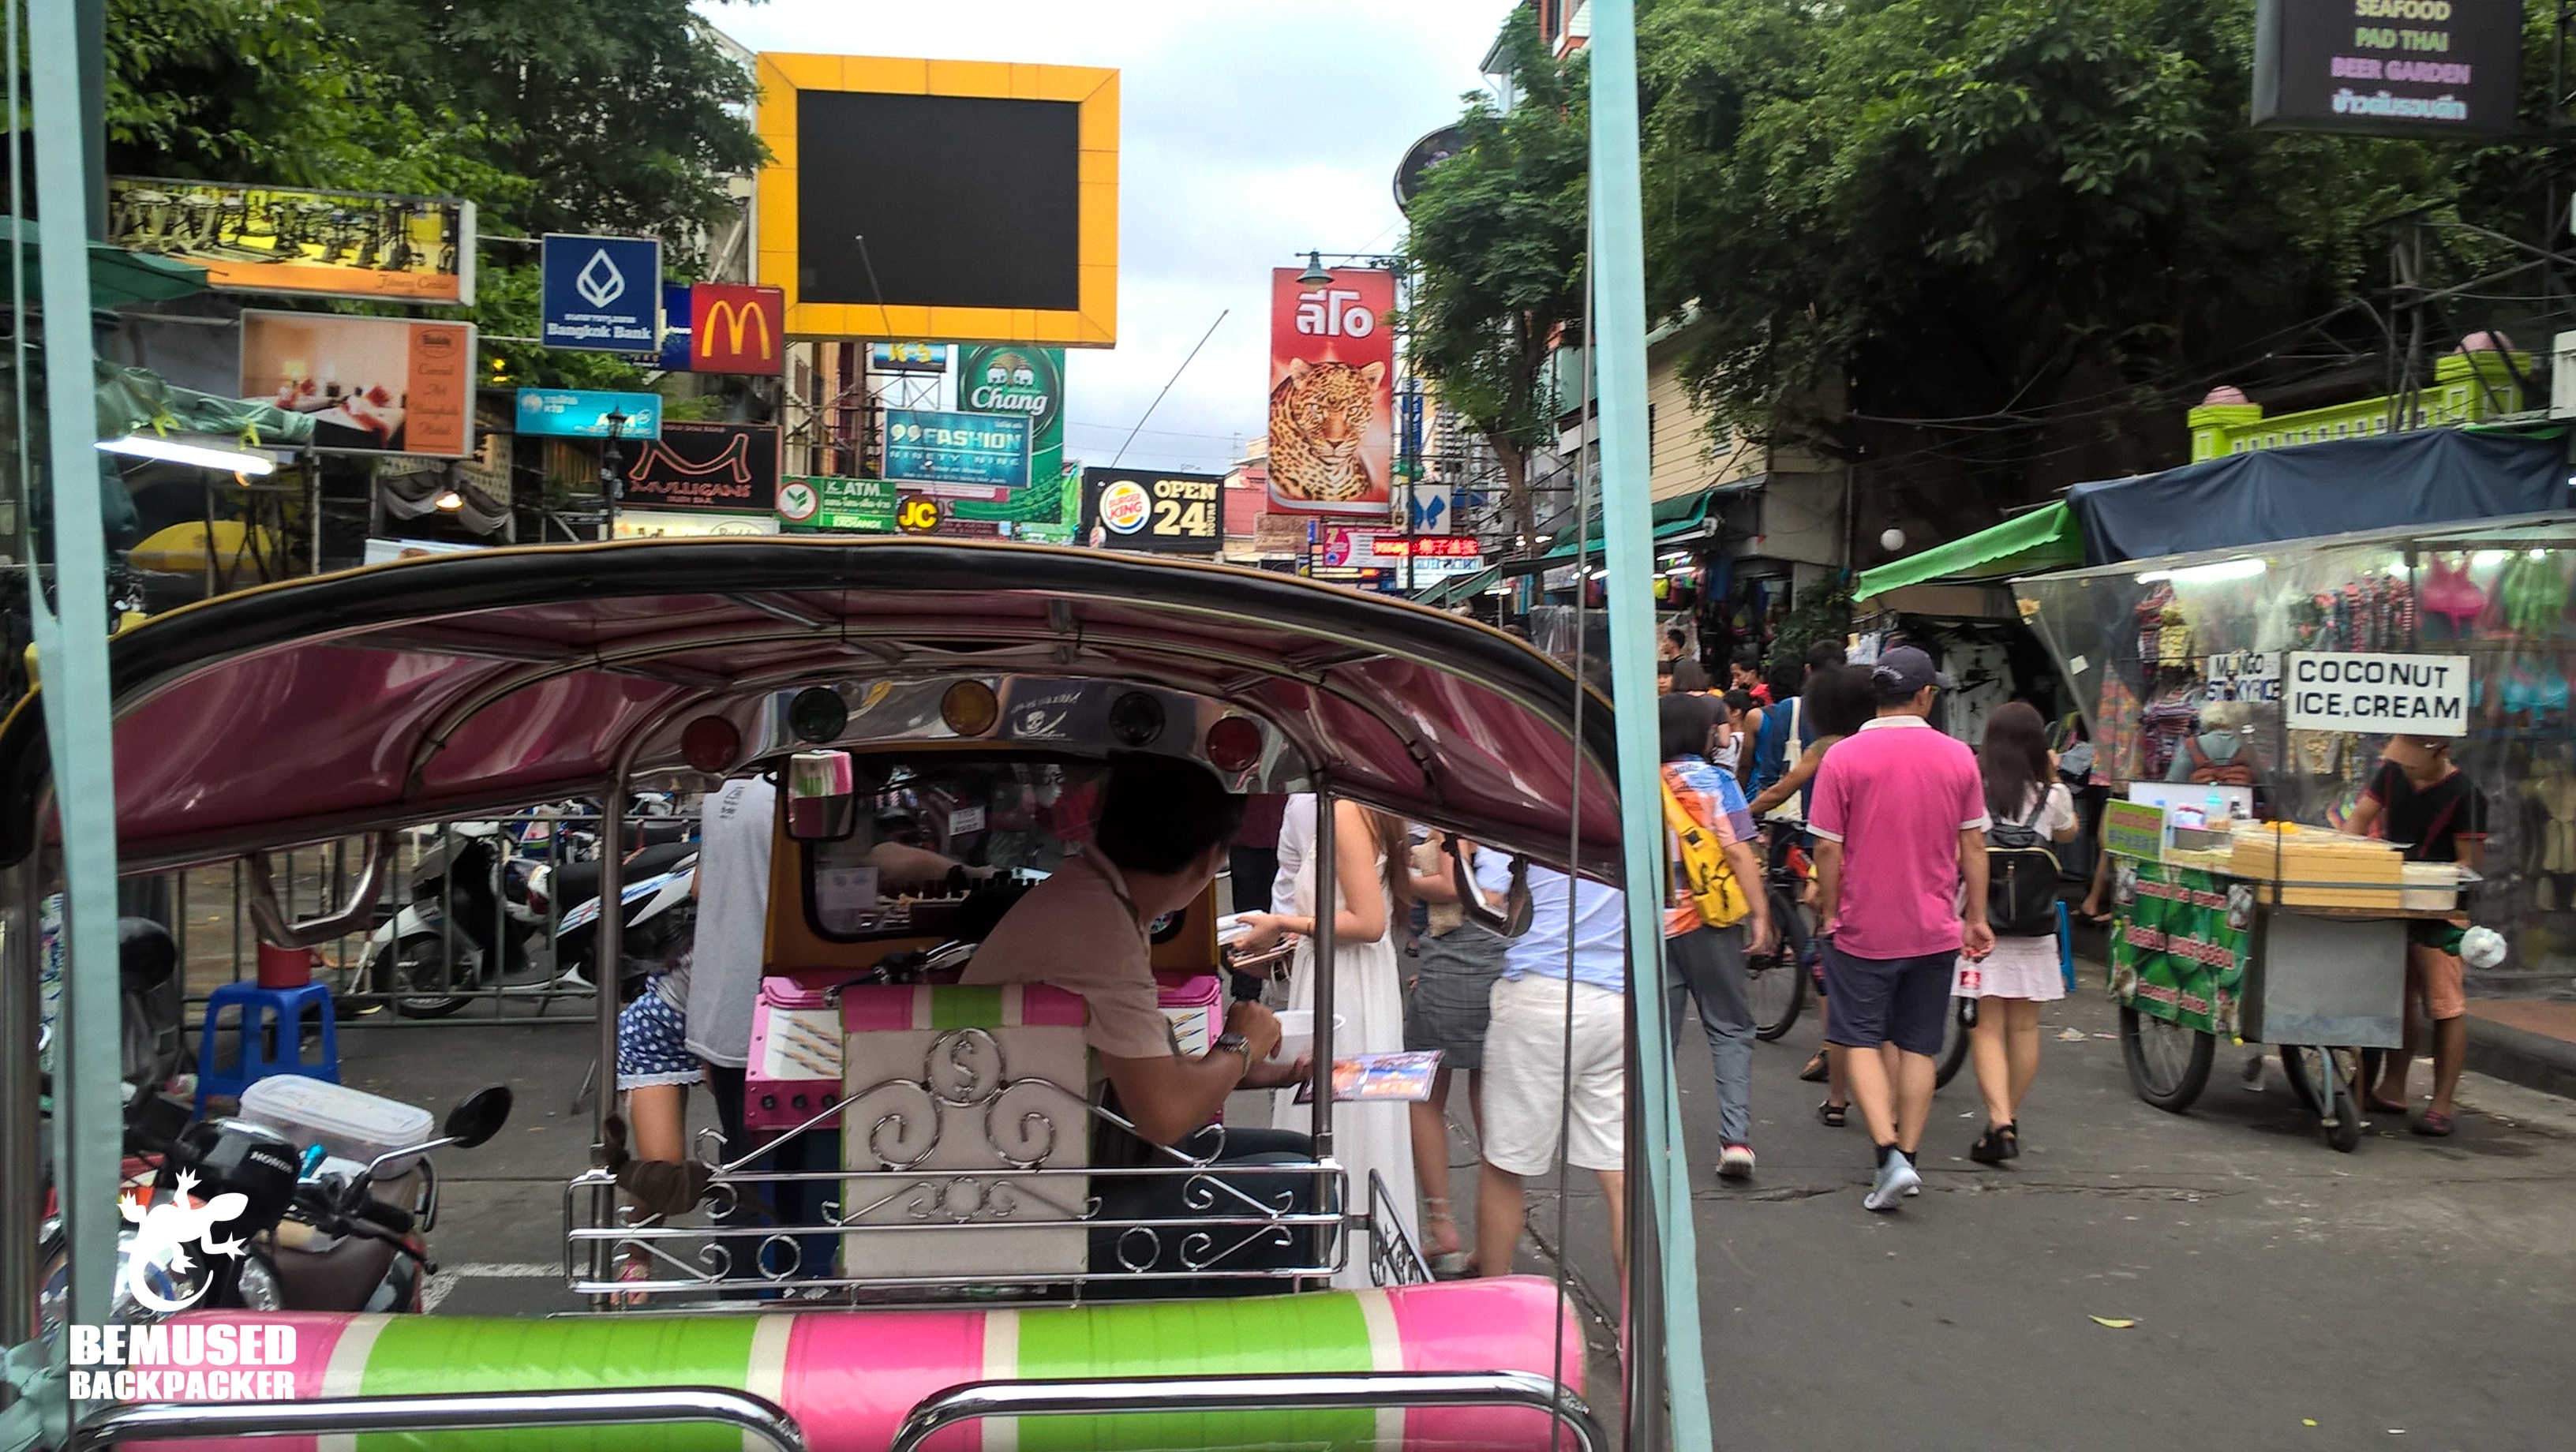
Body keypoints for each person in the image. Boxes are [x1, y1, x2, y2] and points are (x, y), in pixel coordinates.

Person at [968, 755, 1301, 1147]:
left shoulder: (1093, 898)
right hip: (1036, 1170)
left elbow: (1149, 1073)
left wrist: (1269, 1070)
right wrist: (1238, 1045)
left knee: (1290, 1150)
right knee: (1300, 1166)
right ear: (1210, 858)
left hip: (1039, 1136)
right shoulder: (1102, 932)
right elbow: (1163, 1118)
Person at [1809, 646, 1995, 1211]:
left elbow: (1826, 848)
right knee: (1918, 1046)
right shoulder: (1959, 756)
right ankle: (1907, 1158)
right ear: (1924, 696)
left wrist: (1831, 911)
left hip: (1863, 927)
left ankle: (1887, 1152)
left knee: (1860, 1036)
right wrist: (1977, 917)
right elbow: (1973, 845)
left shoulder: (1842, 758)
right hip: (1935, 926)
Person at [1234, 799, 1419, 1289]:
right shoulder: (1347, 809)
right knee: (1338, 1110)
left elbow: (1368, 922)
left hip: (1347, 984)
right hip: (1341, 975)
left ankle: (1337, 1265)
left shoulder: (1345, 812)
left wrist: (1286, 925)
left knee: (1340, 1113)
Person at [1471, 854, 1630, 1283]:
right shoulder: (1649, 811)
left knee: (1505, 1162)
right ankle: (1638, 1330)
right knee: (1619, 1172)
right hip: (1618, 1001)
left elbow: (1489, 897)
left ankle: (1494, 1296)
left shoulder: (1533, 806)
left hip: (1541, 994)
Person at [1747, 662, 1877, 1121]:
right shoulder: (1884, 746)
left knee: (1830, 967)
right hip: (1891, 872)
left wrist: (1744, 814)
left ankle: (1835, 1072)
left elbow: (1782, 790)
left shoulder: (1829, 749)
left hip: (1837, 862)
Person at [1956, 702, 2080, 1164]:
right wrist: (2054, 778)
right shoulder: (2053, 797)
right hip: (2034, 925)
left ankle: (2001, 1121)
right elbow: (2069, 835)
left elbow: (1960, 848)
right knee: (2025, 1026)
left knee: (1986, 1027)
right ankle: (2002, 1123)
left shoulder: (1976, 789)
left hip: (1981, 922)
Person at [2346, 735, 2486, 1136]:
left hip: (2442, 910)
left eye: (2413, 761)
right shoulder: (2391, 773)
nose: (2405, 767)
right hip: (2392, 900)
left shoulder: (2466, 794)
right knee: (2396, 997)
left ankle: (2442, 1103)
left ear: (2441, 753)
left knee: (2444, 1006)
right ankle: (2392, 1087)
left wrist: (2424, 876)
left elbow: (2469, 866)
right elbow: (2359, 820)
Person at [1661, 693, 1773, 1179]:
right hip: (1710, 921)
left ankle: (1655, 1138)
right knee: (1729, 1027)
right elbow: (1740, 854)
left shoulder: (1636, 784)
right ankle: (1736, 1140)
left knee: (1656, 1036)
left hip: (1652, 921)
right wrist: (1761, 916)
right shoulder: (1719, 782)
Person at [1400, 828, 1507, 1275]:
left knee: (1426, 1092)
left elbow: (1449, 885)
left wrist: (1396, 879)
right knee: (1491, 1105)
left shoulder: (1456, 819)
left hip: (1457, 957)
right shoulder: (1518, 817)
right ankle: (1493, 1237)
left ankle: (1441, 1225)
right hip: (1502, 957)